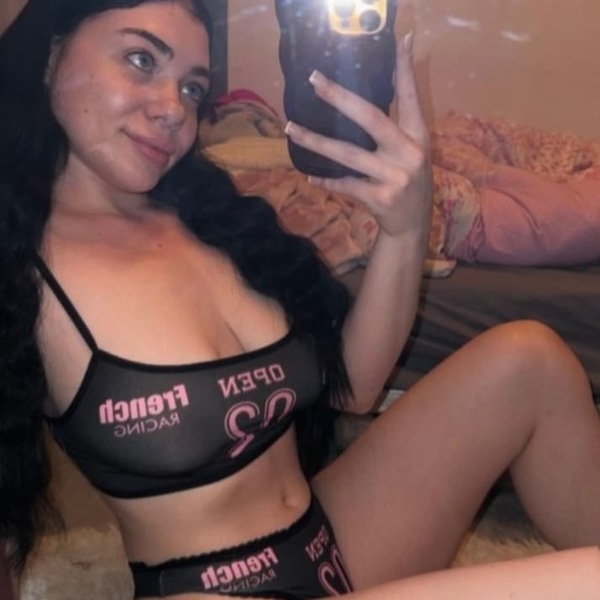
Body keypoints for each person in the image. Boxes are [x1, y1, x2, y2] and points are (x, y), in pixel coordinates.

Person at [1, 0, 600, 599]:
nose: (172, 109)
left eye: (192, 88)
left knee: (531, 359)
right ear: (51, 55)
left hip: (326, 545)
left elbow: (354, 389)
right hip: (202, 588)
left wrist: (405, 227)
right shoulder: (19, 265)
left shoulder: (211, 221)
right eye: (140, 60)